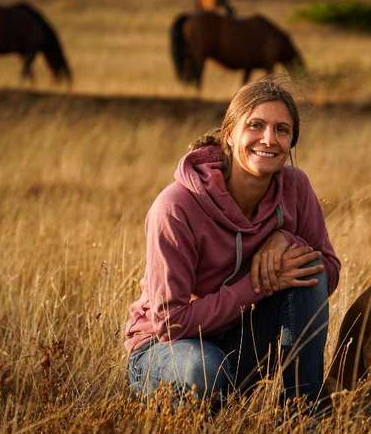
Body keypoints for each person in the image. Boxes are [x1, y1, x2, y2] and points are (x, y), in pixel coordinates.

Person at [124, 77, 340, 409]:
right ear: (229, 133)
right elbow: (172, 323)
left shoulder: (295, 187)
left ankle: (303, 410)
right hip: (167, 350)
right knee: (204, 370)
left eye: (282, 130)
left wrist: (284, 239)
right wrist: (257, 285)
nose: (269, 139)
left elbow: (328, 271)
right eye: (256, 125)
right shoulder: (177, 206)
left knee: (307, 264)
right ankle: (195, 402)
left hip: (240, 341)